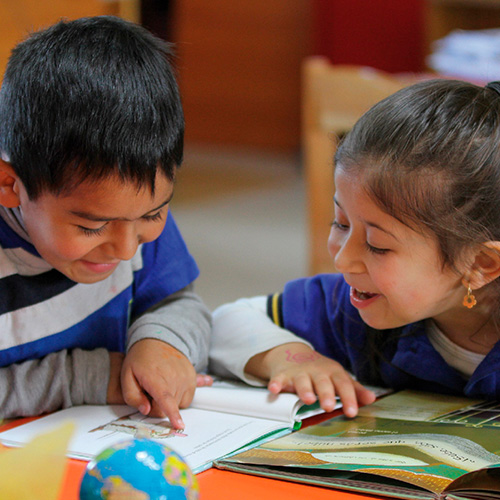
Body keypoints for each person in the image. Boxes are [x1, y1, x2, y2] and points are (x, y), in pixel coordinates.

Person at [210, 79, 500, 418]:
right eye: (341, 223)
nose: (343, 258)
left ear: (480, 263)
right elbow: (224, 321)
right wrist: (291, 357)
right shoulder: (352, 306)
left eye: (377, 246)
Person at [0, 16, 212, 429]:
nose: (127, 249)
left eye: (153, 214)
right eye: (92, 227)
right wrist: (92, 377)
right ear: (10, 184)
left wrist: (161, 341)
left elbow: (180, 303)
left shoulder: (128, 214)